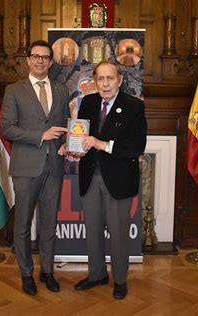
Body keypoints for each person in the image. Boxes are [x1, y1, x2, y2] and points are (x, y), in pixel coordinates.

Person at [66, 60, 147, 299]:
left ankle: (120, 280)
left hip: (119, 179)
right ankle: (96, 274)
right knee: (92, 230)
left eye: (110, 78)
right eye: (100, 78)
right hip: (90, 176)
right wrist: (72, 148)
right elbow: (81, 138)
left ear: (120, 80)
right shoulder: (88, 102)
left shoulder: (134, 106)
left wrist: (102, 144)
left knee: (119, 233)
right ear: (95, 81)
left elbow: (136, 145)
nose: (105, 83)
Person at [1, 40, 69, 296]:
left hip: (54, 166)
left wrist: (64, 144)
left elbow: (62, 126)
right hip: (26, 167)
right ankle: (26, 273)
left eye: (45, 57)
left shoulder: (61, 90)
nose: (40, 61)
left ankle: (47, 271)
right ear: (28, 60)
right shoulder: (14, 90)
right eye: (36, 56)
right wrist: (41, 135)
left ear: (51, 62)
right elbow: (7, 128)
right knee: (22, 224)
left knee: (49, 223)